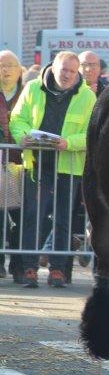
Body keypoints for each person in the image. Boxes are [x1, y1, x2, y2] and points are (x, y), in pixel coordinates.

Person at [9, 51, 96, 288]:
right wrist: (22, 137)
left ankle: (58, 270)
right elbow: (17, 119)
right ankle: (29, 268)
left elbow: (91, 132)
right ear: (53, 68)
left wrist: (69, 143)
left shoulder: (87, 96)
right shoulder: (32, 89)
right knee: (32, 217)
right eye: (63, 70)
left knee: (63, 220)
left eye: (71, 71)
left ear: (77, 72)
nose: (66, 75)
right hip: (37, 165)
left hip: (68, 167)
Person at [0, 49, 25, 281]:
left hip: (21, 164)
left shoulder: (26, 93)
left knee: (20, 216)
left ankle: (19, 264)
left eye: (10, 65)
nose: (5, 70)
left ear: (20, 71)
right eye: (1, 65)